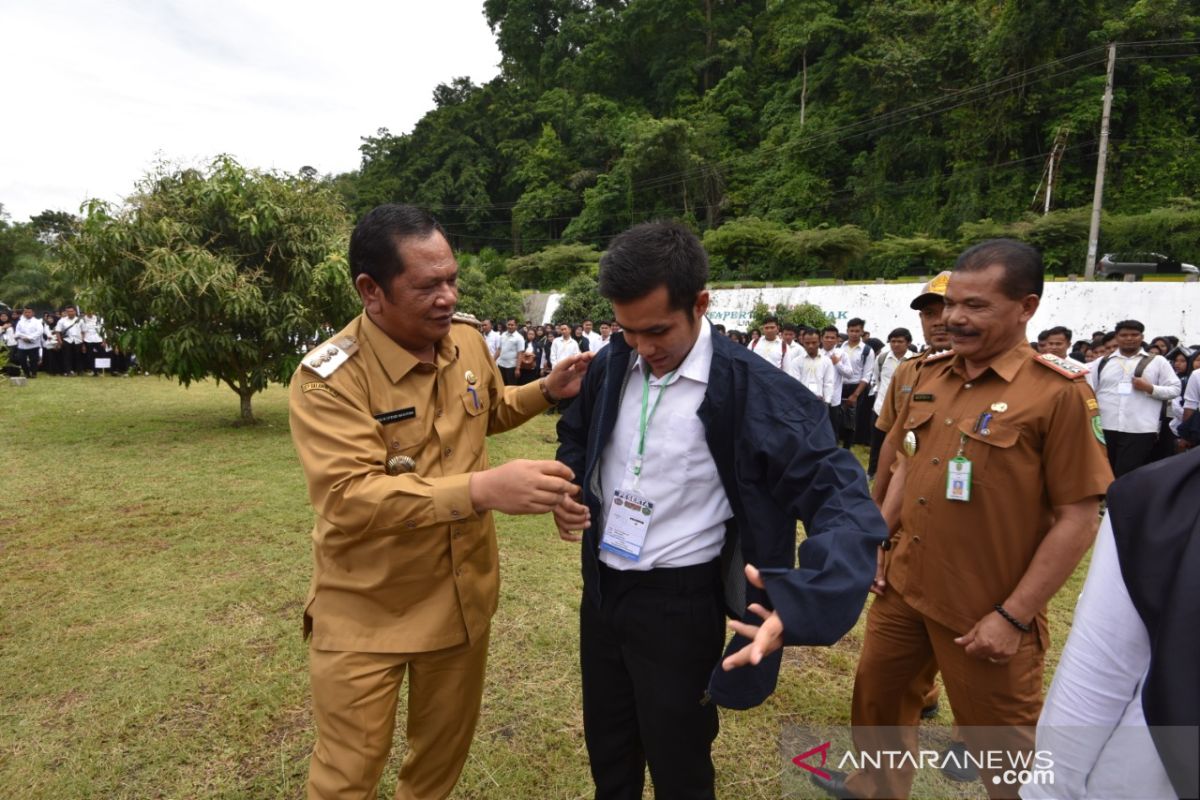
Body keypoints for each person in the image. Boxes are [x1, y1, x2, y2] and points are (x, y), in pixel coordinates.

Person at [553, 221, 886, 800]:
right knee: (608, 745)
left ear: (701, 303)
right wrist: (571, 490)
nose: (643, 348)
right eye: (627, 331)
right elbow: (578, 436)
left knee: (677, 754)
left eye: (657, 330)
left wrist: (804, 596)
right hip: (602, 590)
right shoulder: (612, 365)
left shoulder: (753, 390)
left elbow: (840, 496)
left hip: (679, 603)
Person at [287, 203, 594, 800]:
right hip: (367, 610)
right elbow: (349, 497)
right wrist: (482, 489)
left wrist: (545, 391)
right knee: (347, 774)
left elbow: (486, 412)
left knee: (439, 762)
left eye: (452, 279)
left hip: (461, 597)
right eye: (428, 286)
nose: (448, 297)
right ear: (371, 291)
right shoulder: (329, 378)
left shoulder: (465, 344)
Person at [814, 239, 1113, 799]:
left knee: (1003, 748)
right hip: (904, 585)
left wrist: (1014, 615)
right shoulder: (929, 375)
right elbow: (906, 462)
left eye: (976, 306)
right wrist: (879, 537)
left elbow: (1079, 517)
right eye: (953, 304)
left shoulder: (1057, 394)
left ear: (1026, 307)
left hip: (987, 606)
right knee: (878, 703)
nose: (954, 317)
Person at [1022, 449, 1200, 800]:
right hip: (1150, 779)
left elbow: (1078, 513)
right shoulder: (1158, 500)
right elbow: (1099, 671)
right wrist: (1048, 790)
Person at [1087, 319, 1180, 478]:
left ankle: (1123, 503)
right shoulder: (1101, 363)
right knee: (1104, 473)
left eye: (1134, 334)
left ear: (1142, 336)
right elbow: (1088, 391)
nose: (1129, 338)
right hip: (1105, 428)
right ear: (1116, 337)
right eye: (1124, 335)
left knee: (1127, 474)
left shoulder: (1158, 362)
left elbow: (1175, 389)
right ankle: (1108, 503)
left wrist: (1150, 388)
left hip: (1140, 429)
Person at [867, 327, 912, 477]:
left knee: (903, 443)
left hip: (906, 409)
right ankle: (872, 471)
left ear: (908, 343)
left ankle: (901, 473)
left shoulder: (916, 361)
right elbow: (877, 379)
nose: (896, 344)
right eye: (893, 341)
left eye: (900, 341)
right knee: (877, 443)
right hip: (881, 407)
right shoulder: (882, 359)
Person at [837, 318, 875, 449]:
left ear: (862, 332)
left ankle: (847, 448)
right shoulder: (840, 347)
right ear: (847, 331)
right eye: (851, 330)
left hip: (856, 386)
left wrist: (855, 394)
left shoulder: (867, 351)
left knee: (851, 420)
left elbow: (867, 375)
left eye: (857, 331)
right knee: (836, 416)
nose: (854, 333)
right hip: (839, 385)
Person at [784, 327, 836, 406]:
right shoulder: (796, 361)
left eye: (814, 342)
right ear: (803, 342)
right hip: (801, 402)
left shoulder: (826, 361)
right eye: (807, 343)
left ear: (819, 341)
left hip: (820, 402)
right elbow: (795, 383)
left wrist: (827, 401)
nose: (810, 346)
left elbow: (828, 383)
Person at [54, 306, 83, 376]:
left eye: (71, 311)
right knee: (67, 357)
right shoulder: (62, 320)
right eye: (68, 311)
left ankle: (78, 371)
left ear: (75, 312)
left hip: (78, 340)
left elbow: (83, 331)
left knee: (78, 357)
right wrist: (60, 341)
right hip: (67, 340)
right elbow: (57, 331)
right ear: (66, 312)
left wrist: (83, 341)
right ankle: (68, 371)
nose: (70, 313)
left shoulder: (80, 320)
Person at [14, 307, 42, 378]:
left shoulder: (37, 322)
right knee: (21, 359)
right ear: (23, 313)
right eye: (25, 312)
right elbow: (17, 332)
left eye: (29, 312)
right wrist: (21, 337)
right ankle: (26, 373)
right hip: (22, 345)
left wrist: (29, 338)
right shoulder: (20, 322)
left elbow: (39, 331)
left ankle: (34, 373)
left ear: (33, 313)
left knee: (33, 360)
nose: (27, 314)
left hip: (33, 344)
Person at [495, 317, 524, 386]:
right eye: (509, 324)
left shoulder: (519, 338)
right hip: (501, 365)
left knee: (510, 386)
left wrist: (517, 368)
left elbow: (520, 354)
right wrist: (492, 360)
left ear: (516, 326)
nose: (510, 326)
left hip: (511, 367)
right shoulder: (503, 335)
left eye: (512, 325)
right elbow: (499, 349)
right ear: (506, 325)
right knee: (500, 384)